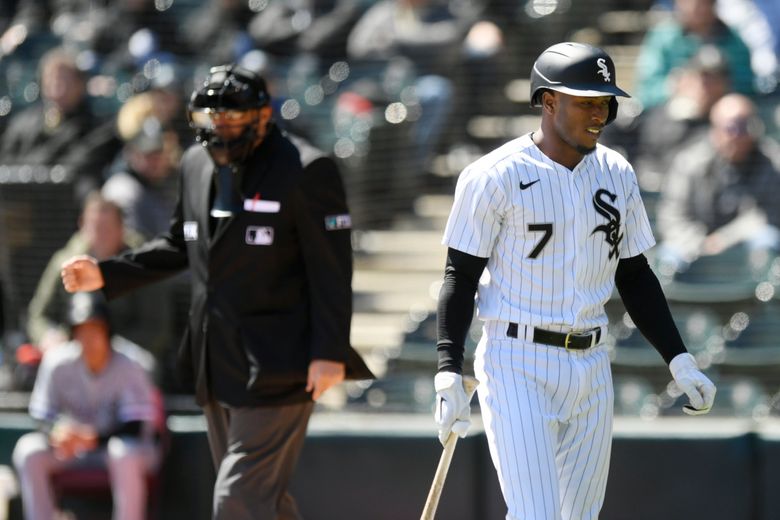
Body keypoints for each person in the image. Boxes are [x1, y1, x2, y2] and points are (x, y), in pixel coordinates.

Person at [60, 64, 374, 520]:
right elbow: (178, 245)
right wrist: (107, 274)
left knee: (238, 499)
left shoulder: (307, 169)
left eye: (232, 118)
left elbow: (332, 270)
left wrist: (328, 350)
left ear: (263, 116)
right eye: (212, 119)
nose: (221, 128)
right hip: (216, 358)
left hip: (282, 362)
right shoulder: (193, 164)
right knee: (262, 502)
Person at [432, 42, 717, 520]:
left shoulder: (617, 172)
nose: (599, 113)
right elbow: (460, 276)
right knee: (537, 515)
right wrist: (447, 368)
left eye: (604, 101)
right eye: (584, 100)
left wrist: (680, 359)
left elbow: (635, 275)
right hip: (517, 361)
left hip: (592, 362)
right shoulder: (493, 175)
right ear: (547, 101)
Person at [12, 292, 162, 520]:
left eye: (95, 329)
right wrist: (57, 432)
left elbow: (135, 427)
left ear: (108, 331)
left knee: (123, 451)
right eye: (82, 330)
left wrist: (92, 438)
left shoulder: (132, 362)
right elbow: (41, 415)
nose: (89, 338)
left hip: (125, 449)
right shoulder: (56, 362)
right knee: (29, 450)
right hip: (75, 449)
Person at [26, 193, 175, 387]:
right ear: (82, 225)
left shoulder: (141, 264)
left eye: (107, 228)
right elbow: (38, 315)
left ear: (122, 229)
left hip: (126, 356)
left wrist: (105, 347)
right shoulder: (66, 261)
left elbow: (157, 329)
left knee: (144, 366)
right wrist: (48, 337)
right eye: (95, 227)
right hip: (74, 351)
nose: (100, 235)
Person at [656, 93, 780, 268]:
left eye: (746, 126)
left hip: (744, 241)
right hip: (696, 243)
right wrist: (700, 242)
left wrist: (723, 239)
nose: (739, 135)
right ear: (715, 129)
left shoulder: (772, 161)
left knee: (766, 240)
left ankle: (759, 296)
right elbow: (672, 216)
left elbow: (768, 216)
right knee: (668, 258)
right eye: (732, 127)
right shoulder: (689, 162)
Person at [636, 0, 754, 109]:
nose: (696, 6)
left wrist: (719, 88)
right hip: (672, 116)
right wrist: (675, 86)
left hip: (722, 115)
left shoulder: (734, 40)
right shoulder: (663, 37)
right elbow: (645, 92)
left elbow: (747, 87)